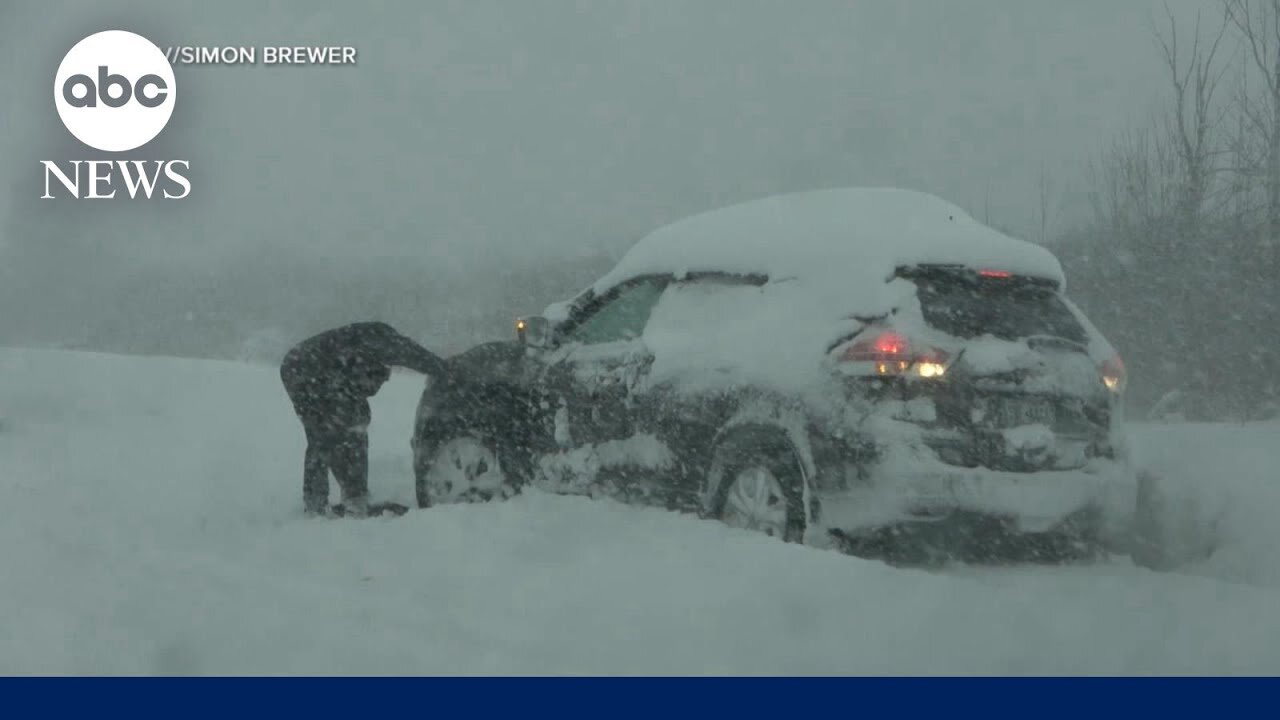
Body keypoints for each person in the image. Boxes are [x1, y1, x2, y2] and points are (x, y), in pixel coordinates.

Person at [280, 321, 447, 517]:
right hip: (304, 369)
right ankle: (326, 504)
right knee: (328, 435)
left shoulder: (356, 361)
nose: (375, 388)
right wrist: (444, 368)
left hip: (305, 368)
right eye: (376, 382)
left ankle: (339, 499)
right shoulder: (380, 342)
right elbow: (413, 354)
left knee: (342, 431)